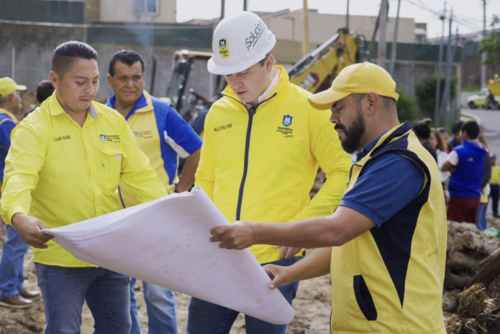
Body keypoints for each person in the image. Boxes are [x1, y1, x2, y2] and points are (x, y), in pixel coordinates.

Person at [210, 62, 447, 334]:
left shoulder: (399, 163)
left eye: (339, 107)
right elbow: (347, 244)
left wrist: (254, 232)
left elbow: (337, 230)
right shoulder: (375, 160)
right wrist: (290, 273)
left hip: (396, 326)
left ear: (370, 103)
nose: (332, 118)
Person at [190, 11, 352, 334]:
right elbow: (205, 178)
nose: (235, 83)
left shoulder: (308, 109)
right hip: (219, 255)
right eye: (227, 74)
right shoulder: (218, 113)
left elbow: (342, 172)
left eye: (243, 72)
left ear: (268, 62)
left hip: (276, 259)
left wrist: (300, 227)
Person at [0, 41, 168, 333]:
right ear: (55, 80)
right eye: (80, 82)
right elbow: (19, 177)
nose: (89, 90)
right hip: (61, 257)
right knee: (64, 329)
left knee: (118, 328)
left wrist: (172, 212)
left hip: (110, 251)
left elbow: (141, 176)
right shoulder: (34, 129)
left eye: (93, 81)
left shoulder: (112, 122)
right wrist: (17, 215)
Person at [107, 50, 202, 334]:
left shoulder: (162, 112)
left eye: (136, 77)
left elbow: (196, 149)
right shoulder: (100, 114)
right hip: (116, 219)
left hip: (157, 219)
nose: (130, 84)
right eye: (122, 78)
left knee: (158, 293)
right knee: (120, 291)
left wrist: (180, 191)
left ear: (144, 78)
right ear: (110, 81)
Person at [0, 77, 42, 309]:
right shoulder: (5, 122)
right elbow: (20, 152)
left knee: (16, 242)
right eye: (16, 94)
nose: (19, 98)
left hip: (4, 188)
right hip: (9, 190)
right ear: (9, 98)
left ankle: (15, 284)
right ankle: (7, 289)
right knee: (16, 243)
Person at [442, 121, 488, 225]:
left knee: (453, 229)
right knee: (470, 232)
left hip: (459, 196)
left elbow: (444, 167)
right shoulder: (482, 151)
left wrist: (452, 168)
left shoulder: (459, 150)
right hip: (475, 196)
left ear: (465, 133)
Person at [490, 154, 500, 218]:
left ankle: (495, 213)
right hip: (489, 185)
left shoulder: (498, 167)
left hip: (496, 186)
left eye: (493, 159)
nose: (492, 160)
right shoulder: (487, 166)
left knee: (495, 200)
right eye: (491, 159)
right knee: (486, 201)